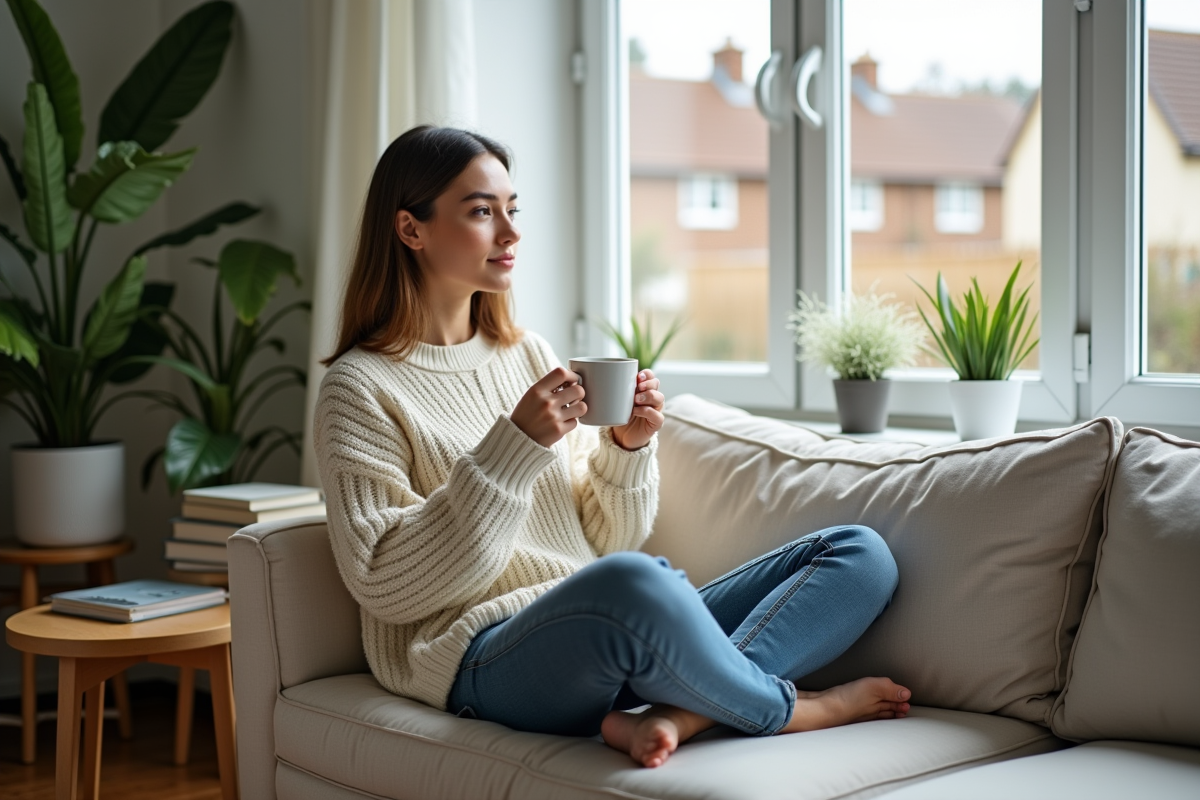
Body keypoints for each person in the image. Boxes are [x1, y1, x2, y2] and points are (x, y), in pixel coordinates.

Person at [314, 125, 911, 769]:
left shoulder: (527, 355)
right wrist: (511, 450)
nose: (511, 233)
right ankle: (793, 709)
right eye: (483, 212)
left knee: (858, 555)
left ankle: (683, 714)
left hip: (598, 629)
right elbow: (384, 584)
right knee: (634, 583)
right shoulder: (358, 387)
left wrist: (626, 450)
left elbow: (602, 543)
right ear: (411, 229)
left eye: (513, 210)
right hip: (483, 657)